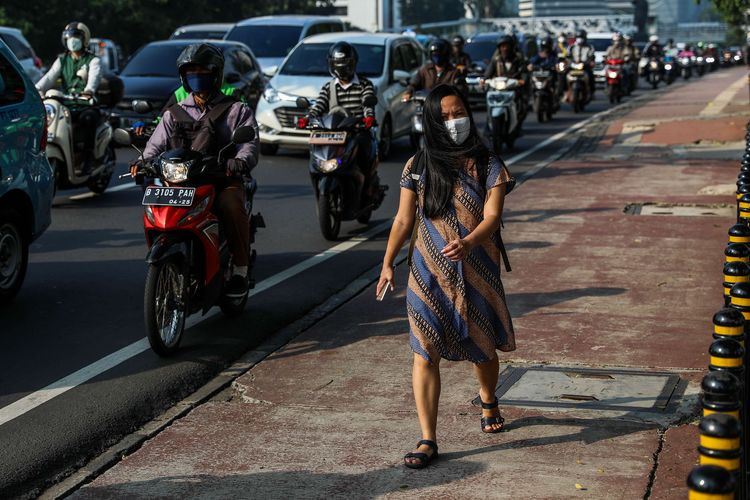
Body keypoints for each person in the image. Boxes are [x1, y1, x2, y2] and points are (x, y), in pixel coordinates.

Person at [376, 84, 515, 469]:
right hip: (427, 274)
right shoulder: (417, 166)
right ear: (433, 124)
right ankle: (427, 439)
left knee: (483, 348)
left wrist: (468, 243)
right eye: (446, 117)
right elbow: (404, 219)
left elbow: (492, 217)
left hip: (477, 271)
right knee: (424, 351)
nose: (456, 122)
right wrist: (387, 262)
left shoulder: (489, 164)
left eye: (460, 113)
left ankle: (488, 399)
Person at [131, 43, 259, 297]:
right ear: (184, 77)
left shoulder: (236, 109)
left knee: (231, 205)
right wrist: (142, 162)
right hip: (179, 182)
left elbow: (249, 144)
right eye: (191, 71)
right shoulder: (173, 113)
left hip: (222, 178)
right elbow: (154, 145)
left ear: (216, 73)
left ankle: (240, 270)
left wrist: (240, 161)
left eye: (202, 70)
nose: (196, 76)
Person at [301, 41, 379, 207]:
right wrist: (307, 118)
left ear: (353, 64)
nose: (342, 68)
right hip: (332, 132)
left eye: (345, 64)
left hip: (357, 131)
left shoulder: (365, 84)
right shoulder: (328, 87)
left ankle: (366, 186)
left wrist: (369, 118)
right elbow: (318, 106)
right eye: (338, 64)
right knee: (314, 151)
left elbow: (368, 105)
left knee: (364, 148)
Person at [36, 22, 102, 172]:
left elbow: (94, 78)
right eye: (69, 37)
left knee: (89, 119)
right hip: (66, 105)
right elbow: (48, 78)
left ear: (85, 39)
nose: (72, 40)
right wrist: (35, 90)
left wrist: (89, 90)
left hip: (86, 104)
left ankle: (88, 158)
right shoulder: (62, 60)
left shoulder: (93, 60)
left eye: (76, 37)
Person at [403, 38, 467, 101]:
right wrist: (408, 92)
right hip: (426, 105)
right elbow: (413, 84)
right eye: (434, 53)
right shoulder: (424, 70)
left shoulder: (454, 73)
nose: (436, 55)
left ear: (446, 54)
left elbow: (461, 91)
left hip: (445, 107)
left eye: (439, 53)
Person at [484, 34, 529, 122]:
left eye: (507, 46)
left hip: (513, 88)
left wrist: (522, 80)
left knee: (521, 102)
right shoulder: (496, 60)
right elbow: (488, 73)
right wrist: (484, 80)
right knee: (489, 102)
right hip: (498, 89)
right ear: (499, 48)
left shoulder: (518, 59)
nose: (505, 49)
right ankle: (489, 125)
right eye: (502, 46)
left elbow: (524, 72)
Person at [569, 29, 595, 97]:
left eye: (581, 37)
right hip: (573, 66)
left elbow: (591, 56)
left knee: (590, 76)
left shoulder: (589, 47)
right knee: (563, 75)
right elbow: (568, 56)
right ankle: (563, 92)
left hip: (584, 66)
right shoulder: (572, 47)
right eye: (578, 37)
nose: (579, 39)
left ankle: (591, 92)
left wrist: (589, 62)